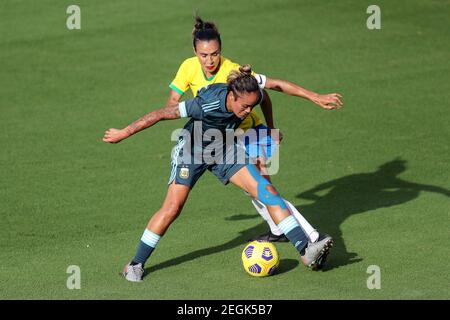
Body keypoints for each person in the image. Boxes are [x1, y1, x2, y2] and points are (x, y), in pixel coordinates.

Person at [103, 66, 335, 282]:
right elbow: (160, 114)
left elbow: (269, 93)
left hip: (224, 149)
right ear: (232, 96)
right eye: (244, 107)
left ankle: (306, 249)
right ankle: (135, 264)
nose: (247, 112)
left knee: (267, 191)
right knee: (173, 207)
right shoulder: (206, 103)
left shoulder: (250, 93)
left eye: (251, 107)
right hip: (191, 151)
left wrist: (272, 127)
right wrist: (123, 132)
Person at [167, 16, 343, 243]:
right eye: (204, 55)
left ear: (221, 49)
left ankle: (312, 236)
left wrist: (276, 124)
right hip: (221, 138)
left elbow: (269, 91)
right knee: (254, 189)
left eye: (215, 53)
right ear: (195, 51)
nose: (210, 60)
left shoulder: (234, 71)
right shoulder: (188, 67)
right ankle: (279, 231)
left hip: (250, 133)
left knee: (263, 186)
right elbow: (173, 100)